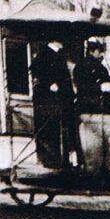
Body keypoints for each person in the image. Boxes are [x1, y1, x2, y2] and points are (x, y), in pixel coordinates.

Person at [30, 39, 78, 168]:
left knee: (63, 129)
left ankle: (62, 159)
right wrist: (49, 84)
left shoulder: (58, 55)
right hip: (50, 101)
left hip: (62, 99)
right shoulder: (45, 54)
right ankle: (52, 160)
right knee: (52, 130)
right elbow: (36, 72)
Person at [73, 40, 110, 115]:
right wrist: (100, 87)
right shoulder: (82, 66)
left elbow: (108, 80)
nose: (101, 54)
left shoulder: (99, 66)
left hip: (101, 105)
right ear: (91, 51)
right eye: (99, 51)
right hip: (89, 106)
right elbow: (82, 86)